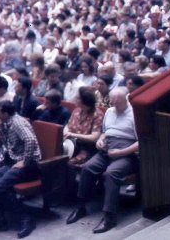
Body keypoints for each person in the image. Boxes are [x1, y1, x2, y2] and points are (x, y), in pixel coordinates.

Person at [66, 87, 138, 234]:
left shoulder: (134, 114)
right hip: (107, 148)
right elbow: (105, 132)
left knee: (111, 173)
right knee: (87, 168)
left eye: (117, 103)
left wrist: (121, 152)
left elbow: (141, 141)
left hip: (126, 151)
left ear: (126, 100)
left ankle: (109, 216)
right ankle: (81, 207)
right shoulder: (110, 111)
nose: (114, 106)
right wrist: (100, 139)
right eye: (112, 102)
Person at [0, 100, 41, 238]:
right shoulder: (5, 122)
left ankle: (27, 219)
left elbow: (31, 140)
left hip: (30, 165)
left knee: (0, 186)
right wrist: (0, 128)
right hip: (14, 162)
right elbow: (8, 142)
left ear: (6, 113)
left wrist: (25, 161)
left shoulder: (18, 123)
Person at [64, 86, 105, 167]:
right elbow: (68, 126)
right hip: (72, 144)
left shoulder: (97, 115)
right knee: (56, 157)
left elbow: (94, 138)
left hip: (87, 148)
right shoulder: (77, 110)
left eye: (78, 98)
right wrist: (65, 131)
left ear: (85, 100)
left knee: (67, 162)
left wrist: (72, 134)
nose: (75, 99)